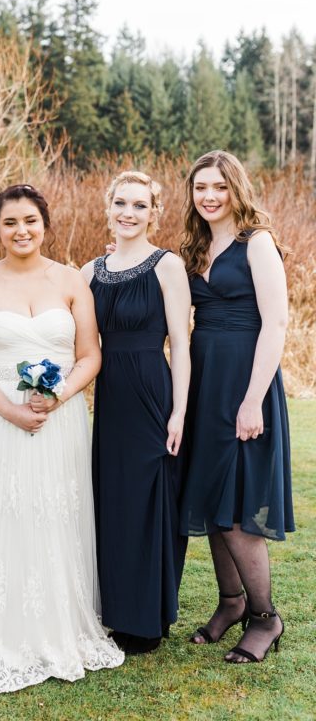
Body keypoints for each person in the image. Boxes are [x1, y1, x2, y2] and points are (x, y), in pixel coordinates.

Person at [0, 184, 123, 694]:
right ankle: (6, 635)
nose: (21, 230)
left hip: (61, 419)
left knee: (57, 513)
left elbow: (91, 353)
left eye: (30, 220)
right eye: (10, 223)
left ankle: (63, 626)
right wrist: (10, 410)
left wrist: (60, 395)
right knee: (6, 514)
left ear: (44, 223)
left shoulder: (72, 281)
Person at [179, 150, 292, 663]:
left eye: (219, 186)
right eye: (201, 186)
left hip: (244, 385)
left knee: (238, 513)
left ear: (236, 188)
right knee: (209, 500)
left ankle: (266, 618)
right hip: (205, 382)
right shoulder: (198, 244)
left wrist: (252, 399)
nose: (209, 196)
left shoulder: (257, 241)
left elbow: (277, 324)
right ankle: (231, 602)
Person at [79, 172, 191, 655]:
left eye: (140, 205)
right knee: (115, 502)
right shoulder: (89, 272)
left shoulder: (167, 266)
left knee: (151, 502)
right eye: (121, 203)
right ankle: (115, 611)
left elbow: (182, 345)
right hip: (111, 398)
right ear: (108, 208)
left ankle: (147, 619)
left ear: (154, 213)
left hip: (153, 392)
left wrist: (179, 411)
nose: (129, 212)